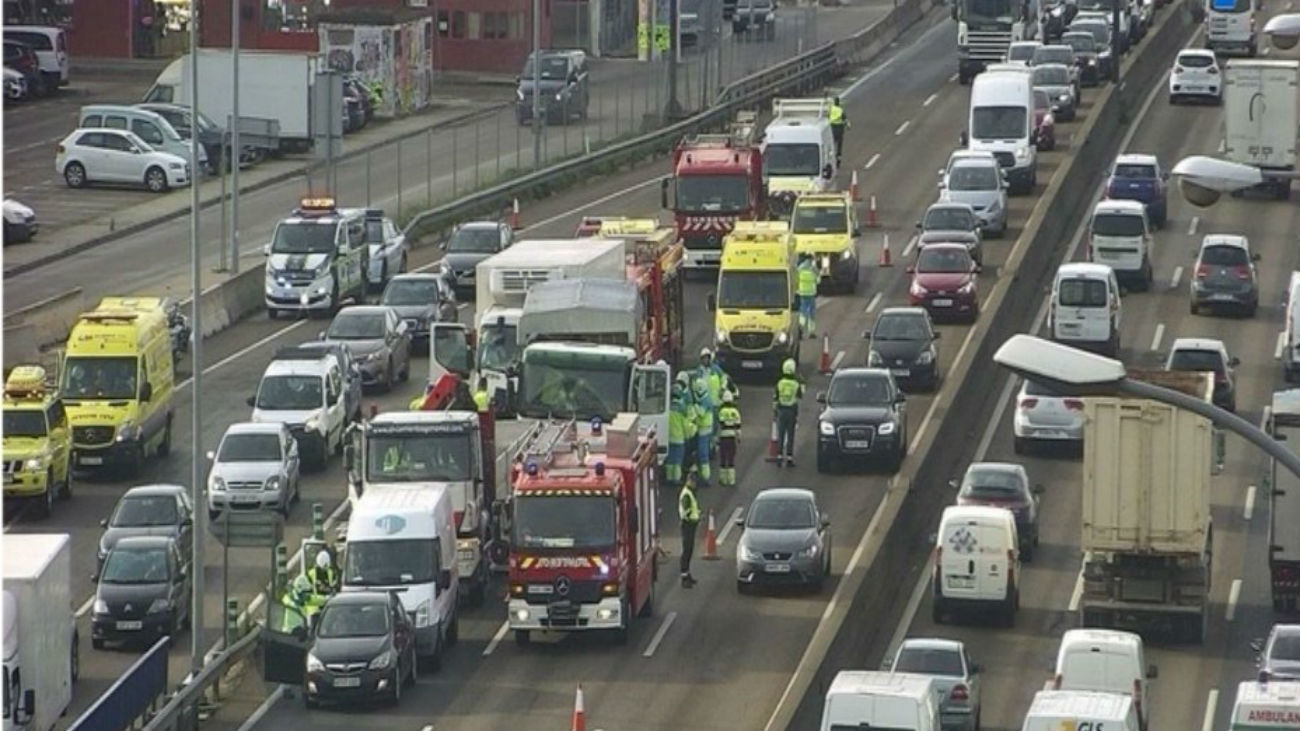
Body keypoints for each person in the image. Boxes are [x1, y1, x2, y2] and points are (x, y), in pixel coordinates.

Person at [773, 358, 805, 467]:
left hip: (781, 410)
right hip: (791, 411)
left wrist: (775, 412)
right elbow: (800, 395)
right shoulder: (795, 384)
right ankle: (789, 458)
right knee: (791, 435)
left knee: (781, 434)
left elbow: (775, 397)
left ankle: (779, 456)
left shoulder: (780, 383)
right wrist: (802, 382)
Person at [678, 469, 702, 588]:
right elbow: (685, 511)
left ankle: (687, 574)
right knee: (686, 551)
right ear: (689, 481)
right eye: (693, 482)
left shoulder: (690, 492)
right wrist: (692, 519)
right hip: (687, 526)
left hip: (690, 525)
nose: (695, 484)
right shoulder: (687, 494)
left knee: (690, 550)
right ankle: (684, 577)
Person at [691, 377, 715, 487]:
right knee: (700, 454)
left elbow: (701, 413)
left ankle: (706, 478)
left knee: (703, 455)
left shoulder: (706, 400)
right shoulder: (705, 398)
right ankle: (702, 476)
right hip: (703, 429)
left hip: (704, 430)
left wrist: (694, 406)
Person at [666, 381, 690, 486]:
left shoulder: (667, 407)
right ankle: (676, 479)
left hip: (669, 438)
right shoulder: (682, 407)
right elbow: (685, 424)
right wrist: (688, 434)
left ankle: (669, 477)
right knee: (678, 461)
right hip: (679, 438)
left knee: (670, 460)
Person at [717, 392, 742, 487]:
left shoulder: (722, 411)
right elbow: (738, 426)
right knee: (731, 459)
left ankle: (723, 479)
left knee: (723, 458)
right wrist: (739, 437)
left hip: (723, 437)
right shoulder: (735, 412)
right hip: (732, 437)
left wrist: (717, 438)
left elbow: (720, 425)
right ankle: (731, 480)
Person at [797, 254, 819, 337]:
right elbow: (818, 280)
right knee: (811, 314)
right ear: (811, 260)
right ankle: (811, 332)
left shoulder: (800, 268)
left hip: (802, 294)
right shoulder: (813, 269)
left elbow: (796, 279)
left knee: (803, 313)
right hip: (811, 294)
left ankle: (800, 328)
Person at [829, 96, 848, 163]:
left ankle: (831, 156)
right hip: (839, 129)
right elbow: (845, 119)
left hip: (832, 128)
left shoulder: (831, 109)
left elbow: (828, 117)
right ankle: (839, 157)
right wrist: (848, 126)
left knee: (831, 144)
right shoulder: (840, 110)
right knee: (839, 145)